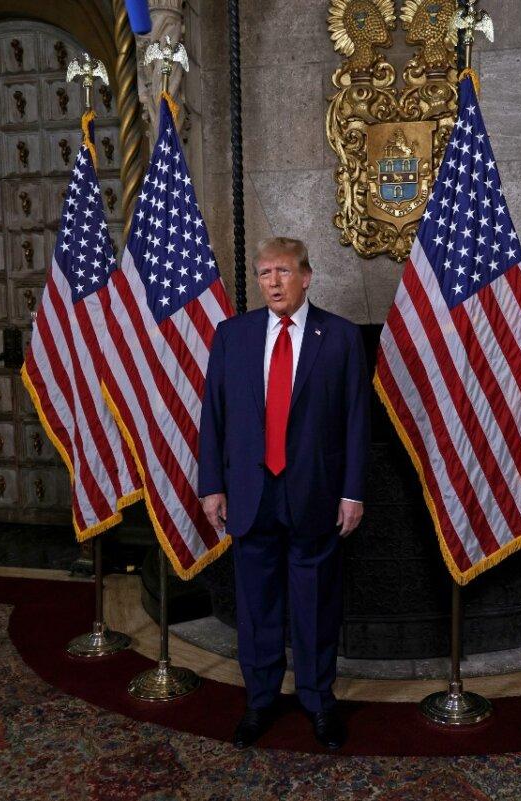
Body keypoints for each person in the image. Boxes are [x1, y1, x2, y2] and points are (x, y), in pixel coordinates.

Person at [198, 237, 369, 751]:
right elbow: (215, 417)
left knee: (315, 604)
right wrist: (212, 486)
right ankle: (260, 701)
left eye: (283, 272)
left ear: (307, 277)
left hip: (313, 493)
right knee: (257, 606)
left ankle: (318, 702)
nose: (272, 282)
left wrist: (352, 492)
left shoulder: (338, 337)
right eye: (264, 272)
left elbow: (357, 419)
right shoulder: (233, 336)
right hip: (250, 495)